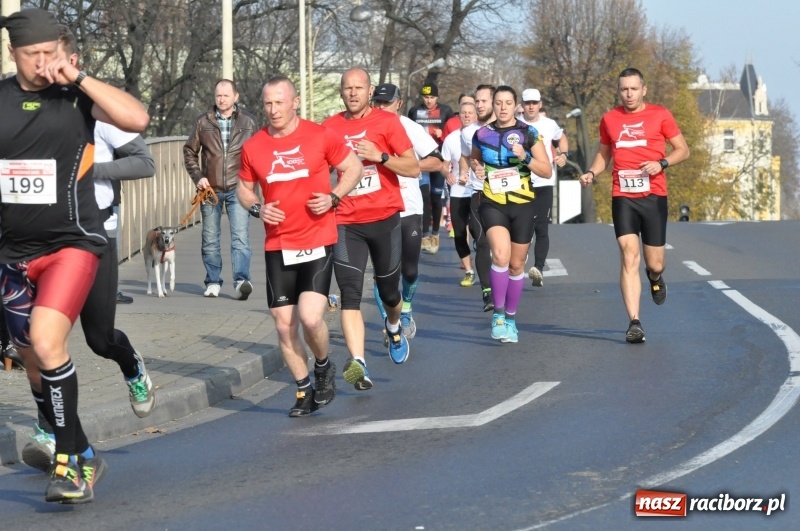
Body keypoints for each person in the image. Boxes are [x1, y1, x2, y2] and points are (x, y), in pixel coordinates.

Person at [0, 8, 150, 503]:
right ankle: (82, 449)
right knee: (33, 358)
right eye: (32, 55)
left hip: (73, 244)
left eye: (50, 53)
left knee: (48, 340)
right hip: (14, 252)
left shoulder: (76, 98)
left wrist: (79, 77)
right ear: (13, 53)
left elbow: (137, 119)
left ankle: (68, 465)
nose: (43, 63)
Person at [237, 76, 363, 416]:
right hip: (278, 243)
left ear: (295, 102)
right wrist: (257, 208)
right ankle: (303, 389)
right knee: (282, 323)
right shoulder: (254, 146)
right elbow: (244, 189)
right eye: (267, 104)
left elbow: (354, 166)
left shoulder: (320, 135)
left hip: (316, 239)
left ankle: (323, 365)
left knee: (309, 318)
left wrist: (335, 196)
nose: (273, 110)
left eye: (280, 102)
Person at [323, 67, 419, 387]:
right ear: (341, 92)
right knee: (350, 293)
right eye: (347, 88)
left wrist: (380, 156)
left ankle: (393, 328)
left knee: (390, 292)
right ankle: (359, 364)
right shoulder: (330, 127)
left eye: (358, 88)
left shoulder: (387, 122)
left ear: (369, 91)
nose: (353, 93)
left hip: (384, 218)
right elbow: (316, 171)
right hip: (346, 221)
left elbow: (413, 167)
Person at [580, 68, 689, 343]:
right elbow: (604, 155)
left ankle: (654, 277)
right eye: (623, 89)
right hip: (623, 195)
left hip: (654, 196)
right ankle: (634, 322)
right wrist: (592, 173)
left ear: (644, 89)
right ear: (619, 91)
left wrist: (661, 163)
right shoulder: (610, 119)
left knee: (655, 262)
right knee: (628, 254)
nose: (628, 94)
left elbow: (683, 150)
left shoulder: (660, 115)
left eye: (633, 89)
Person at [470, 86, 551, 343]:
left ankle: (512, 319)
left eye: (507, 103)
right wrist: (477, 169)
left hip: (523, 204)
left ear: (515, 105)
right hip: (493, 203)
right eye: (498, 103)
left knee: (517, 265)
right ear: (493, 105)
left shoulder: (529, 133)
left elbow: (546, 171)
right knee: (501, 256)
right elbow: (474, 160)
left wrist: (525, 157)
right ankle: (498, 315)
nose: (502, 108)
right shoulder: (481, 133)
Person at [370, 83, 443, 341]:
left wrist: (403, 165)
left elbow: (437, 161)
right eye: (377, 103)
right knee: (384, 272)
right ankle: (391, 324)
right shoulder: (365, 127)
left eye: (386, 103)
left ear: (398, 104)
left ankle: (407, 310)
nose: (380, 108)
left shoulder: (410, 128)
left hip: (408, 207)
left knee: (409, 270)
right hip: (377, 208)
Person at [183, 79, 257, 299]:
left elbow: (259, 153)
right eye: (218, 96)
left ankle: (242, 281)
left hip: (238, 187)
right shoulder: (203, 122)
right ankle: (213, 281)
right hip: (210, 189)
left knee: (240, 237)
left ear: (236, 97)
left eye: (226, 95)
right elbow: (189, 152)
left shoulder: (249, 122)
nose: (222, 99)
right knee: (210, 237)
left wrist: (252, 183)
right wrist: (198, 177)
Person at [517, 88, 569, 287]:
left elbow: (561, 138)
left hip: (544, 181)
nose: (531, 106)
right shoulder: (515, 124)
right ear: (522, 104)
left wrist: (563, 154)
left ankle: (537, 268)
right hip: (520, 181)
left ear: (540, 104)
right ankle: (519, 261)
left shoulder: (549, 124)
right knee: (522, 227)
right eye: (527, 103)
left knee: (541, 226)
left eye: (534, 103)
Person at [461, 84, 496, 312]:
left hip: (506, 194)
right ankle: (488, 293)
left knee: (509, 253)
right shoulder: (468, 132)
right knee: (482, 243)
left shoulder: (509, 129)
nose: (479, 105)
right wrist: (467, 169)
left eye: (484, 101)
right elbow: (466, 155)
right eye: (477, 101)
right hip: (479, 193)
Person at [407, 82, 454, 253]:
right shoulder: (414, 111)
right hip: (422, 160)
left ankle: (436, 234)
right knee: (424, 197)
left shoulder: (446, 111)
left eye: (432, 97)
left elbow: (453, 133)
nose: (428, 101)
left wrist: (444, 134)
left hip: (439, 160)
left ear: (437, 98)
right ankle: (425, 235)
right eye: (426, 98)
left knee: (435, 198)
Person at [442, 100, 478, 286]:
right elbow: (443, 164)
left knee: (476, 229)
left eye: (470, 112)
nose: (466, 116)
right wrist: (448, 173)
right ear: (459, 115)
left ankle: (484, 261)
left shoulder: (483, 136)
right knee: (458, 232)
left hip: (477, 189)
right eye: (463, 112)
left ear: (476, 115)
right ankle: (469, 271)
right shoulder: (451, 139)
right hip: (457, 191)